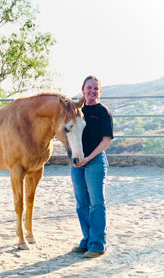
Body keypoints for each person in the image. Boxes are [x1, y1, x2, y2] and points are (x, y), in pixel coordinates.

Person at [70, 75, 113, 258]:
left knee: (96, 203)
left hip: (94, 161)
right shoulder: (76, 111)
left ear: (100, 91)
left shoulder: (103, 111)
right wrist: (76, 156)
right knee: (81, 203)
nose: (92, 91)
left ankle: (98, 244)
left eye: (96, 88)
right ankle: (87, 239)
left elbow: (106, 140)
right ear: (83, 89)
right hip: (77, 162)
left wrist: (89, 157)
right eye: (89, 88)